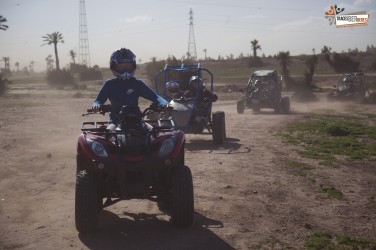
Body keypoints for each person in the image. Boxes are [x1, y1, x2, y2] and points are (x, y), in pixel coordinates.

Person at [92, 48, 168, 125]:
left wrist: (164, 103)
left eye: (128, 66)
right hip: (115, 123)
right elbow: (98, 100)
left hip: (137, 122)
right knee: (108, 135)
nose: (125, 70)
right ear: (113, 66)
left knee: (152, 133)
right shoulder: (110, 84)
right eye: (121, 67)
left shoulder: (137, 84)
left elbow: (155, 97)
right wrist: (96, 105)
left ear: (133, 65)